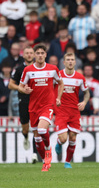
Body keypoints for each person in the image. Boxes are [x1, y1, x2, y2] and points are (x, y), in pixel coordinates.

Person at [18, 43, 64, 172]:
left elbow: (61, 83)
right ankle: (45, 161)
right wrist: (24, 90)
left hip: (47, 105)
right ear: (33, 55)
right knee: (37, 138)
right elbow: (21, 86)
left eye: (42, 53)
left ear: (45, 55)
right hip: (33, 107)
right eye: (37, 53)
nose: (39, 55)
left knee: (42, 130)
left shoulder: (53, 69)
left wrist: (58, 98)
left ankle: (48, 149)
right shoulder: (28, 70)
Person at [54, 52, 90, 169]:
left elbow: (87, 93)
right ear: (64, 62)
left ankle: (67, 162)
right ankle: (59, 143)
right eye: (68, 60)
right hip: (61, 110)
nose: (70, 61)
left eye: (72, 60)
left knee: (73, 137)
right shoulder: (58, 75)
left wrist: (84, 102)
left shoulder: (80, 77)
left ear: (75, 62)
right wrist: (55, 99)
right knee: (64, 139)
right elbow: (49, 89)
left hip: (74, 111)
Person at [8, 46, 38, 163]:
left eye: (31, 53)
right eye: (27, 53)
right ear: (23, 55)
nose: (29, 55)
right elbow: (10, 85)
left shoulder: (39, 69)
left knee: (36, 128)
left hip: (37, 102)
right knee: (25, 129)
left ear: (34, 55)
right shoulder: (19, 69)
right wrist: (20, 89)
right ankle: (25, 137)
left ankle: (34, 154)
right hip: (24, 101)